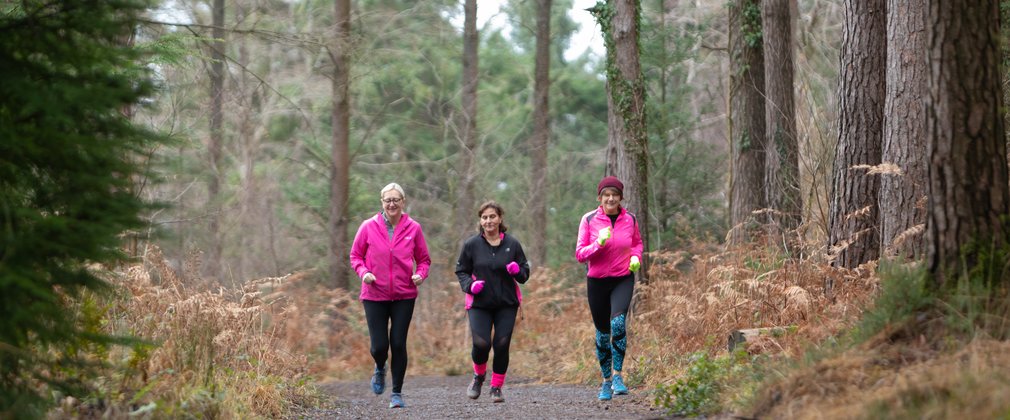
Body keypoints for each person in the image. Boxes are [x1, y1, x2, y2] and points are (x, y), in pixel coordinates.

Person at [349, 182, 431, 409]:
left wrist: (420, 275)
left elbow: (424, 259)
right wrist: (364, 272)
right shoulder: (368, 226)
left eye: (396, 199)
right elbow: (355, 256)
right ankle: (379, 367)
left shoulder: (413, 228)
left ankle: (396, 393)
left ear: (403, 202)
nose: (392, 204)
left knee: (398, 342)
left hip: (404, 294)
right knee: (378, 347)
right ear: (382, 202)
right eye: (388, 200)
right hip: (375, 293)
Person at [575, 176, 643, 401]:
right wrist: (598, 244)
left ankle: (618, 376)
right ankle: (605, 381)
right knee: (603, 334)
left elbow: (637, 243)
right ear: (600, 198)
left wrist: (635, 257)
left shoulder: (630, 219)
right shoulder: (589, 219)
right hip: (597, 282)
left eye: (615, 194)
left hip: (623, 278)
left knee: (618, 323)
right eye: (606, 195)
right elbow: (580, 254)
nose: (611, 198)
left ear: (621, 197)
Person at [455, 201, 530, 403]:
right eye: (485, 217)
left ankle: (496, 387)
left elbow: (524, 274)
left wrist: (518, 270)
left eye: (492, 216)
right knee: (481, 343)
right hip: (479, 303)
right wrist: (470, 285)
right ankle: (479, 377)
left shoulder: (512, 244)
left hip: (506, 303)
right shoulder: (472, 245)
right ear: (481, 221)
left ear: (500, 219)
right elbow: (461, 271)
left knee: (502, 343)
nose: (489, 221)